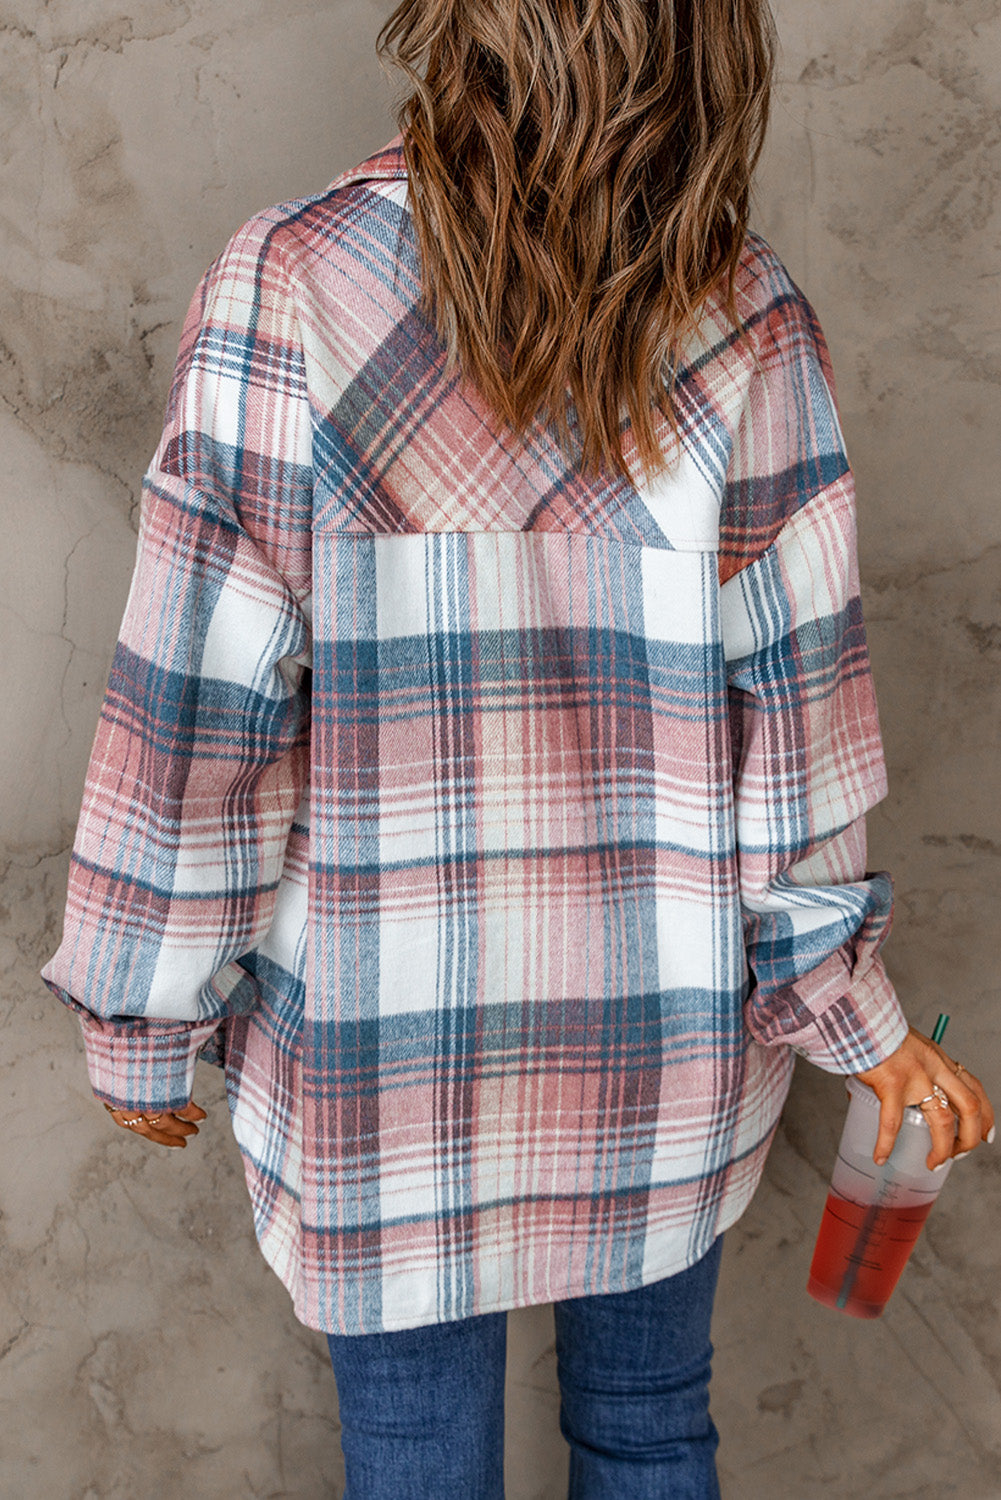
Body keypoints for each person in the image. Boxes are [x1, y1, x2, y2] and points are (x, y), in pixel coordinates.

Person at [42, 0, 994, 1495]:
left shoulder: (286, 286)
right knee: (648, 1430)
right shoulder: (746, 316)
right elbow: (796, 739)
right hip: (659, 1042)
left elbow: (198, 710)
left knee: (414, 1459)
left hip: (380, 1056)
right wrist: (851, 1013)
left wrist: (142, 1006)